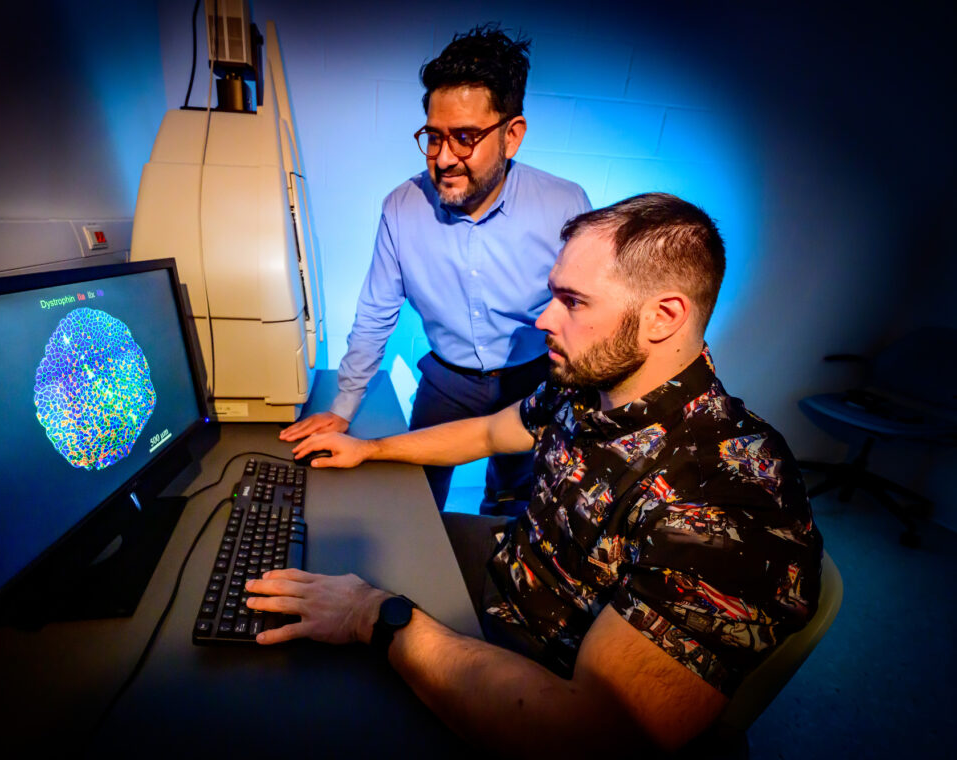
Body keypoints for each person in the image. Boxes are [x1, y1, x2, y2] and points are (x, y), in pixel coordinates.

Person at [249, 193, 824, 753]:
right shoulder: (589, 386)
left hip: (546, 670)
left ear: (663, 316)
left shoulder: (733, 499)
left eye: (573, 302)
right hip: (516, 573)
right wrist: (369, 449)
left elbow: (590, 732)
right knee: (336, 545)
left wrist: (375, 616)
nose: (543, 318)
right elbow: (485, 433)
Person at [279, 24, 592, 516]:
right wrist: (342, 408)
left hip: (533, 377)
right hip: (446, 381)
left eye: (465, 138)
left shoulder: (565, 203)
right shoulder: (401, 208)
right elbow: (374, 314)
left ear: (512, 136)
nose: (444, 159)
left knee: (516, 500)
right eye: (434, 137)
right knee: (414, 502)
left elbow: (584, 308)